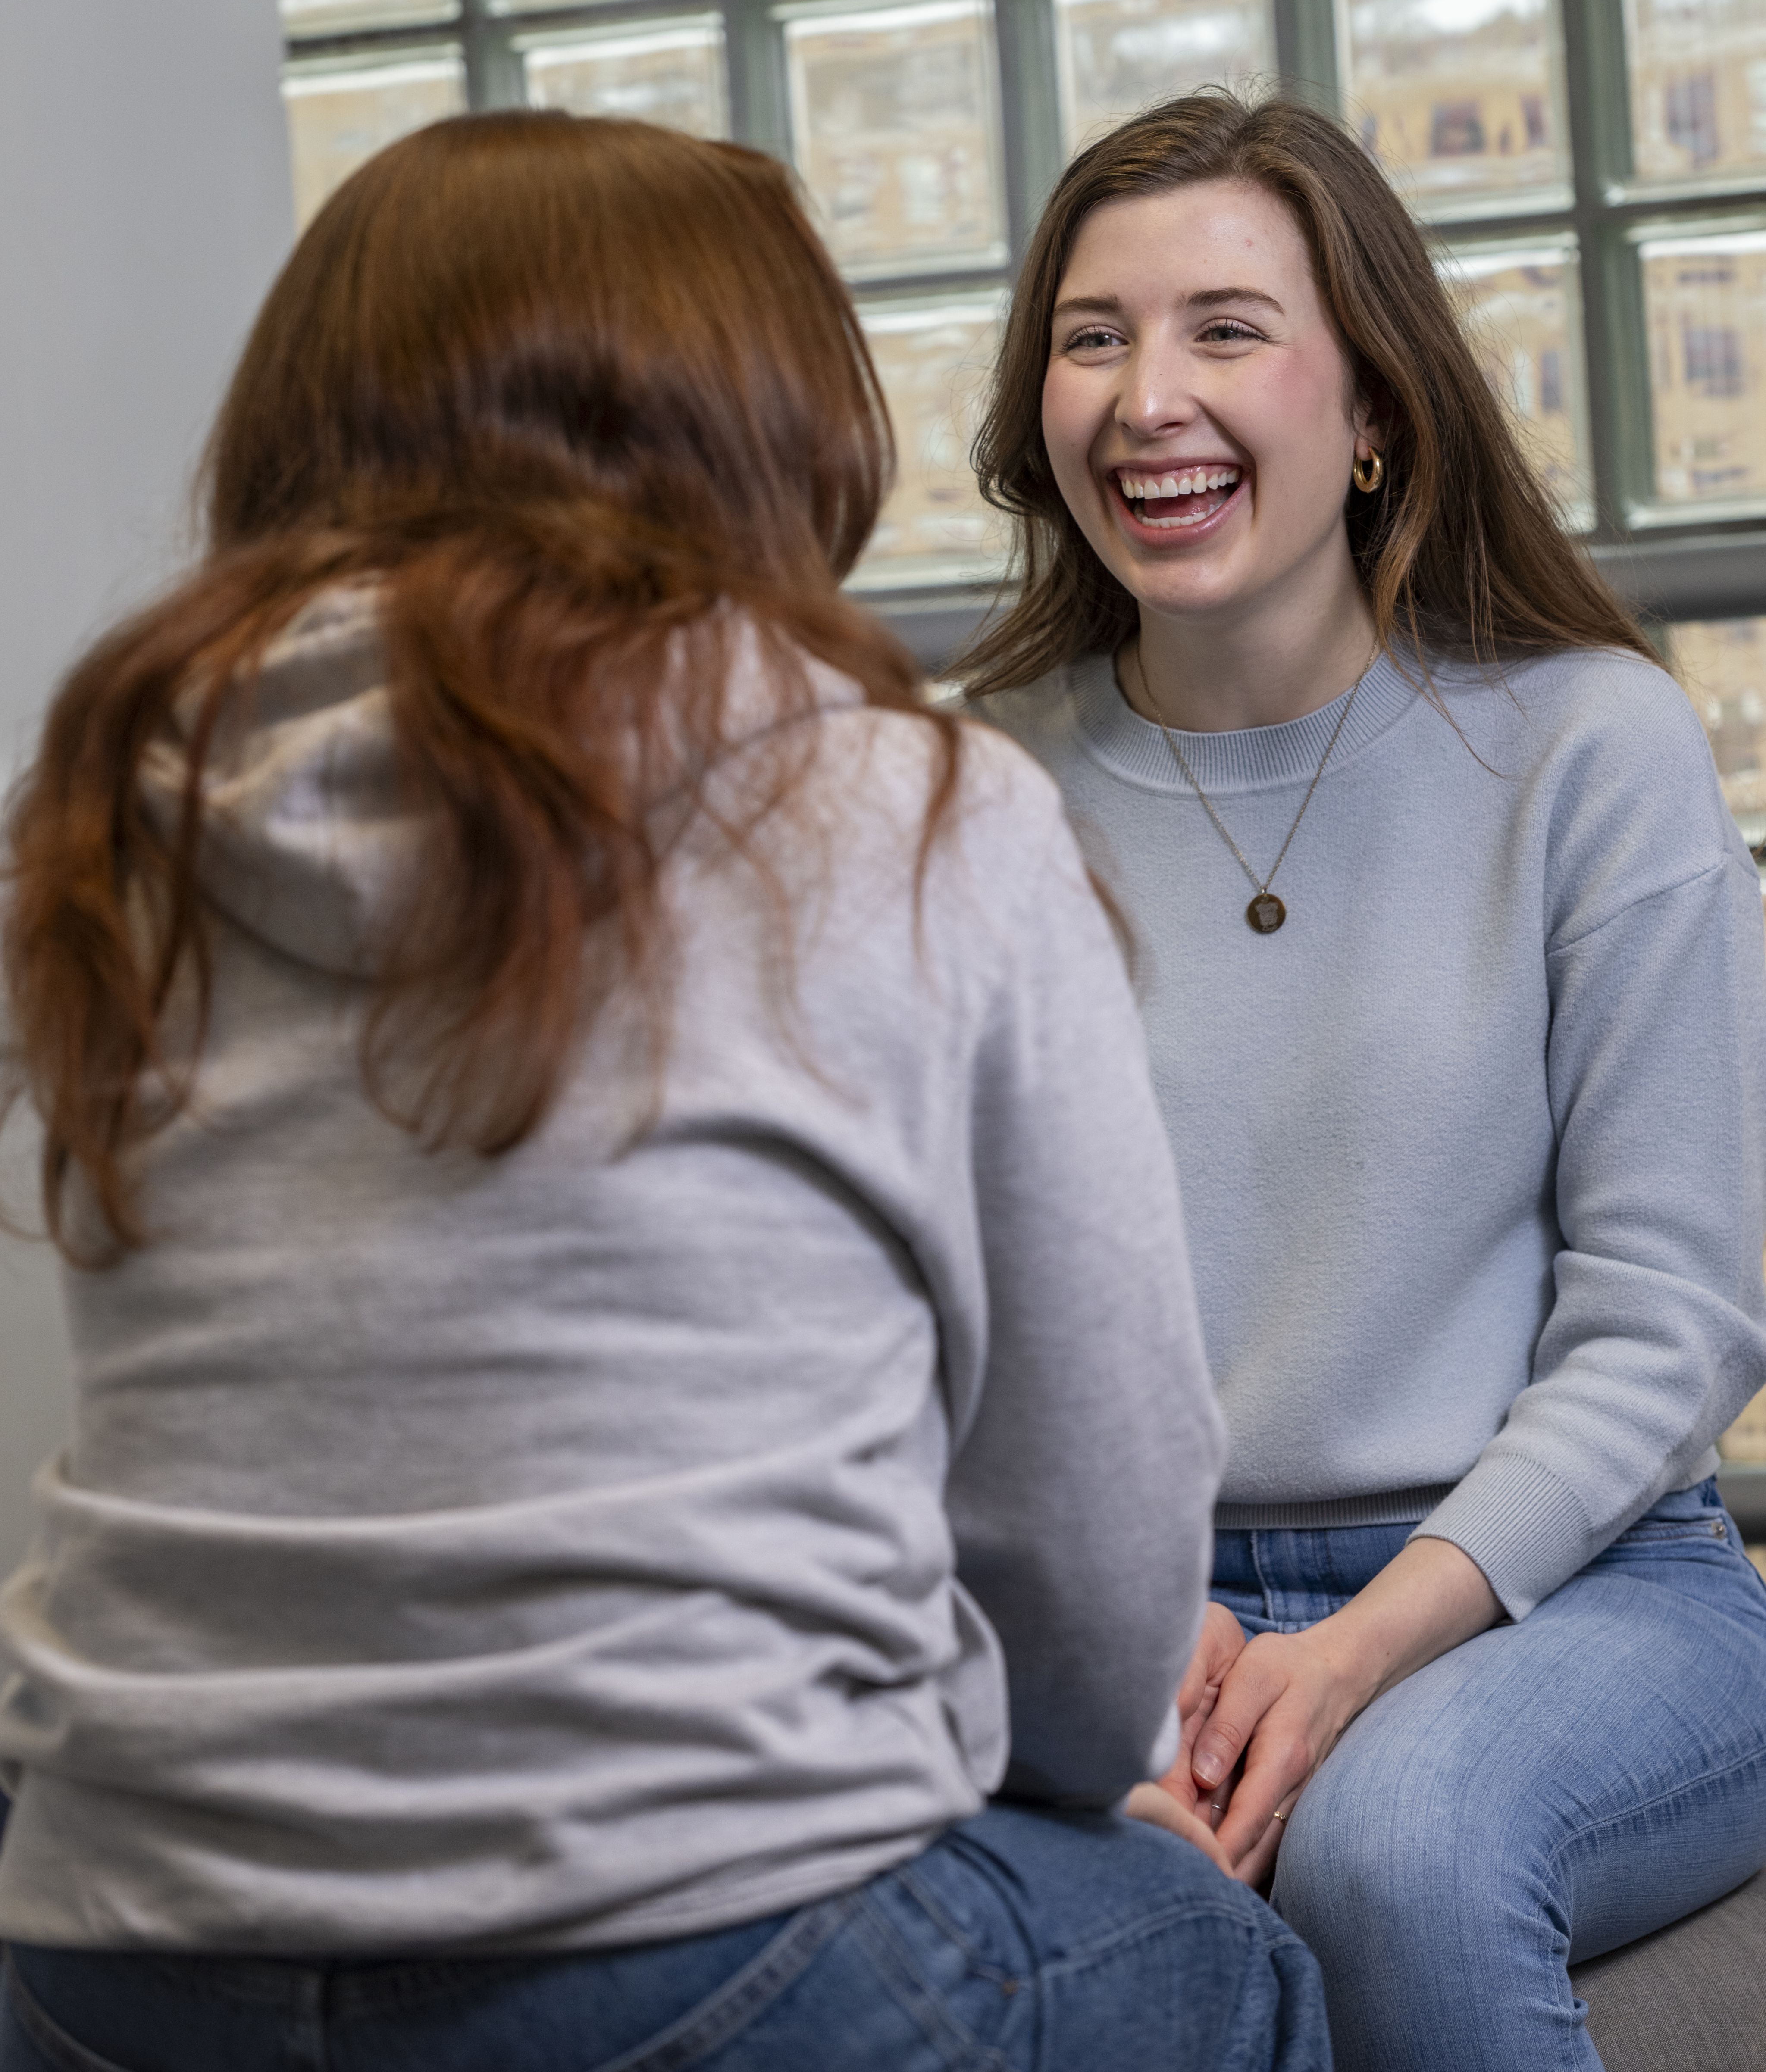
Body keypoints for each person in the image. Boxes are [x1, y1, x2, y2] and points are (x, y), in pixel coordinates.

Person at [0, 113, 1330, 2072]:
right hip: (692, 1948)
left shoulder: (124, 798)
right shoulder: (900, 807)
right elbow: (1092, 1498)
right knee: (1222, 1969)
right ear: (757, 413)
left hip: (105, 1947)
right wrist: (1058, 1770)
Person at [961, 87, 1766, 2072]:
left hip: (1564, 1586)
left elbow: (1675, 1312)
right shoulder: (962, 791)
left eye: (1225, 328)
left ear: (1376, 405)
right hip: (1113, 1601)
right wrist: (1122, 1653)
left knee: (1395, 1847)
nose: (1148, 395)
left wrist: (1357, 1651)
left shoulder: (1590, 751)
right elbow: (941, 1329)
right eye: (1092, 336)